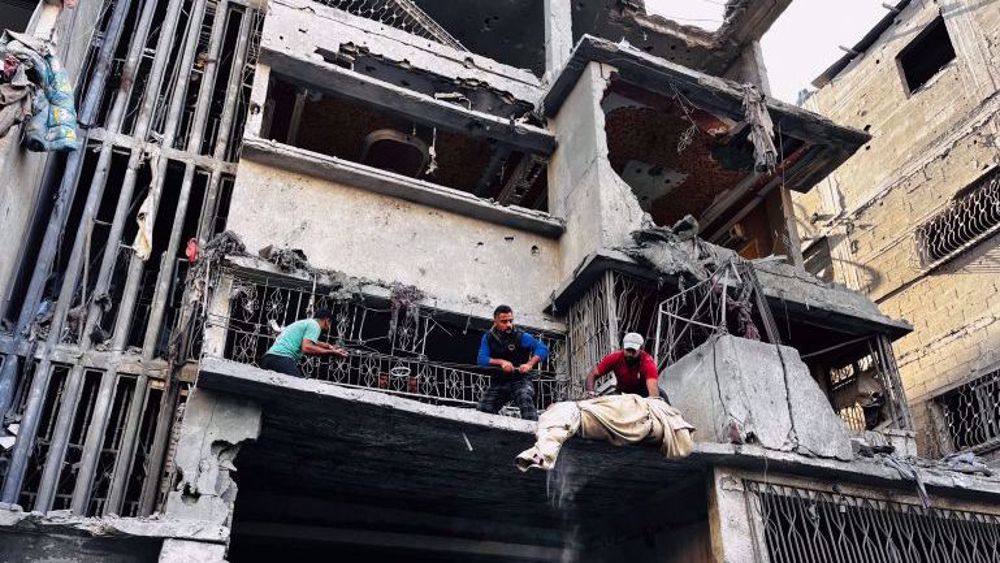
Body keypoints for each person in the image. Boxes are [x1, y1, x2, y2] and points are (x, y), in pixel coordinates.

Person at [476, 305, 549, 421]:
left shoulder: (521, 336)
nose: (509, 324)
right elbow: (481, 359)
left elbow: (542, 349)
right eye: (504, 322)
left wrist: (529, 364)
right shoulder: (488, 338)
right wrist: (501, 362)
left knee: (525, 398)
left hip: (521, 380)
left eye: (510, 321)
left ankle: (533, 432)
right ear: (495, 321)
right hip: (499, 382)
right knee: (483, 410)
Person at [260, 309, 348, 378]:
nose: (328, 328)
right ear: (326, 320)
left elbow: (312, 342)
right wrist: (331, 352)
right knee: (299, 389)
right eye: (329, 323)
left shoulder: (304, 322)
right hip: (281, 359)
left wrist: (329, 347)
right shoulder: (315, 325)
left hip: (268, 358)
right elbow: (307, 347)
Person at [585, 332, 660, 399]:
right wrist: (590, 392)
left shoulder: (648, 363)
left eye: (633, 351)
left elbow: (653, 394)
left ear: (641, 349)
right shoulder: (615, 358)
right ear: (623, 347)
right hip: (623, 393)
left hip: (644, 394)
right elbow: (592, 374)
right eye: (627, 350)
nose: (630, 354)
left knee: (662, 405)